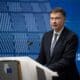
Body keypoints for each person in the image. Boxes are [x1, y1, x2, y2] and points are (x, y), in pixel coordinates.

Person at [36, 7, 79, 80]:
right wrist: (32, 65)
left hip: (67, 77)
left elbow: (66, 60)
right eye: (52, 18)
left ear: (64, 20)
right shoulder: (46, 35)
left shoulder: (71, 37)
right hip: (51, 77)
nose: (54, 21)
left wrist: (46, 69)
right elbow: (42, 58)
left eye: (57, 18)